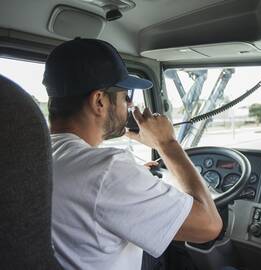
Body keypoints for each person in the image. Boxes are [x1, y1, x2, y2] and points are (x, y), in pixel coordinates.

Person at [43, 38, 222, 270]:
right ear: (99, 101)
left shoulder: (37, 154)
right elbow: (209, 226)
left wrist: (137, 177)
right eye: (126, 96)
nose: (129, 105)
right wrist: (166, 142)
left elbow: (94, 192)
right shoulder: (108, 171)